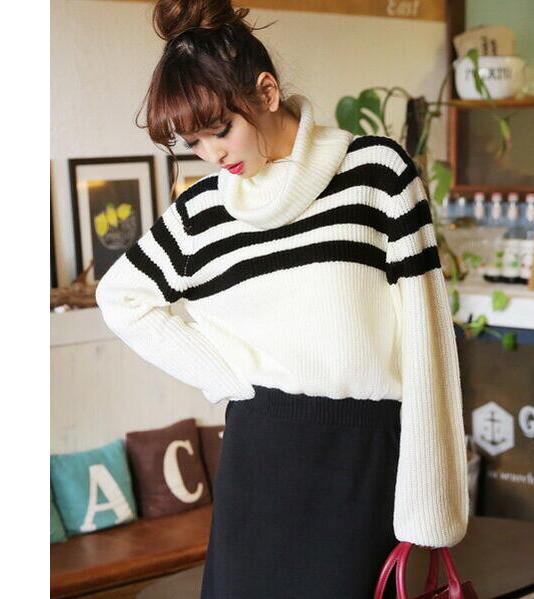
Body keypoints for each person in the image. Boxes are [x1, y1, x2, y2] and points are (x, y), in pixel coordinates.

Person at [95, 0, 470, 597]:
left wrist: (429, 504)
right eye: (194, 142)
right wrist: (227, 377)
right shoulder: (202, 212)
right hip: (261, 453)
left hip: (364, 457)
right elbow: (121, 296)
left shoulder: (375, 173)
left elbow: (427, 335)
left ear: (267, 93)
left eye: (221, 130)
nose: (214, 155)